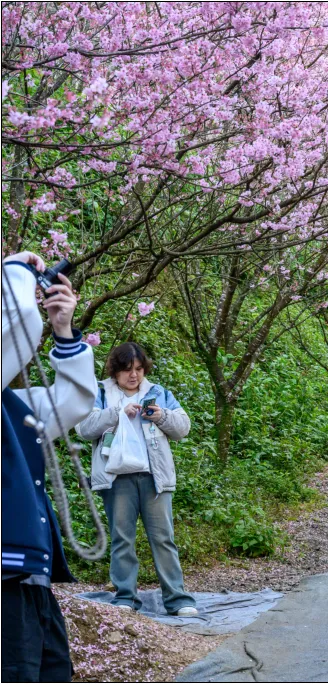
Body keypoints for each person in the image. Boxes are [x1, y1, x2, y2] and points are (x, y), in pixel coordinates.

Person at [2, 252, 98, 682]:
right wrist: (17, 268)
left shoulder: (12, 405)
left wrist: (62, 328)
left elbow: (73, 401)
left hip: (28, 578)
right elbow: (19, 324)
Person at [76, 342, 198, 616]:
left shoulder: (157, 392)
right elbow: (83, 428)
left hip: (154, 477)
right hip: (116, 478)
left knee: (163, 538)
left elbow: (183, 428)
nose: (134, 375)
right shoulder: (100, 393)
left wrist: (162, 416)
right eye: (128, 370)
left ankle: (178, 600)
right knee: (122, 538)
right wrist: (117, 413)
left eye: (139, 369)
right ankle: (126, 598)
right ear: (115, 371)